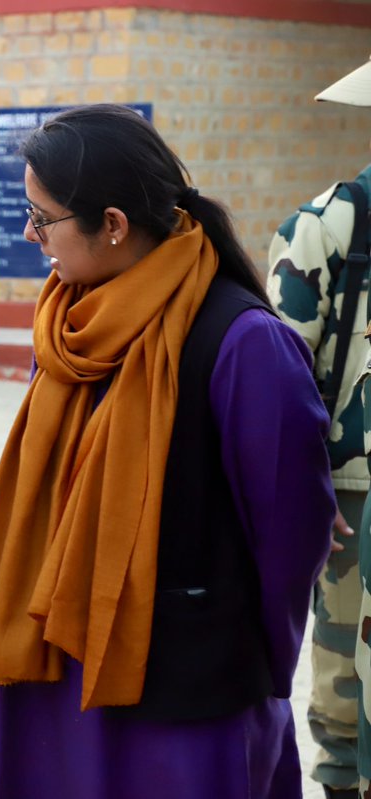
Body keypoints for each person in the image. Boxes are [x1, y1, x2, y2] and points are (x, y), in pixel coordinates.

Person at [0, 104, 335, 798]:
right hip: (54, 668)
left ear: (115, 226)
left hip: (181, 689)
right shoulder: (71, 327)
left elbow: (289, 532)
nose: (28, 232)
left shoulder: (245, 342)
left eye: (43, 218)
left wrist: (253, 671)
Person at [267, 59, 371, 799]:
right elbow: (279, 382)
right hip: (352, 501)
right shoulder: (328, 227)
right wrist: (307, 491)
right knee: (342, 698)